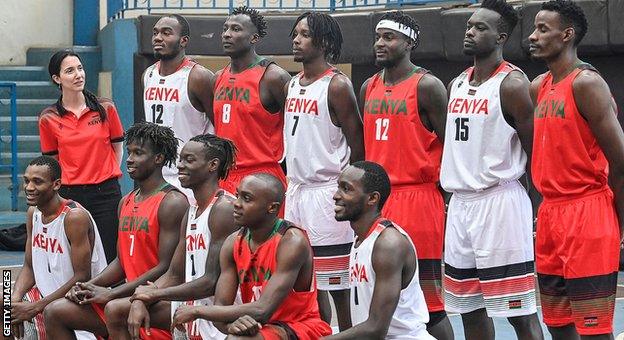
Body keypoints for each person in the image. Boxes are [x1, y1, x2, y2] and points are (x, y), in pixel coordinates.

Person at [439, 1, 543, 339]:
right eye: (469, 25)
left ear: (501, 36)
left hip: (499, 202)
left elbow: (535, 151)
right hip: (460, 204)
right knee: (468, 309)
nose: (470, 31)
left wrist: (530, 206)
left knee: (518, 312)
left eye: (480, 27)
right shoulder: (456, 83)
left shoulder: (512, 84)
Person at [528, 0, 624, 338]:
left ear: (567, 34)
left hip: (588, 212)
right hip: (551, 213)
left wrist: (621, 224)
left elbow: (621, 161)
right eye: (534, 28)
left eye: (543, 29)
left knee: (594, 331)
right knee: (557, 325)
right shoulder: (537, 86)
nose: (533, 36)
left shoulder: (587, 83)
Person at [43, 122, 187, 340]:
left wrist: (112, 293)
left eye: (138, 153)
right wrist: (88, 286)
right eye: (129, 152)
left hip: (155, 298)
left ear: (158, 159)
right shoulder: (125, 201)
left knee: (114, 309)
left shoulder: (172, 202)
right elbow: (121, 261)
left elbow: (166, 268)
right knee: (55, 311)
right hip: (125, 295)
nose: (129, 159)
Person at [359, 11, 453, 339]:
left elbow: (452, 148)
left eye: (389, 37)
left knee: (428, 302)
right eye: (378, 37)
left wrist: (445, 200)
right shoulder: (368, 86)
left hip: (418, 196)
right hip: (379, 200)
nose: (380, 43)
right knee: (382, 300)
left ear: (409, 42)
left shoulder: (427, 86)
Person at [103, 134, 239, 340]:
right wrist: (141, 297)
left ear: (213, 165)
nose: (180, 166)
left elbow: (211, 281)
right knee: (117, 309)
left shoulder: (223, 209)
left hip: (219, 312)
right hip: (191, 304)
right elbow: (174, 273)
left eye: (189, 160)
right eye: (181, 159)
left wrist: (153, 294)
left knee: (119, 308)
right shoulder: (192, 210)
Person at [171, 173, 332, 339]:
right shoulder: (232, 243)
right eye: (238, 195)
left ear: (272, 208)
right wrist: (231, 325)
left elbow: (262, 309)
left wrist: (197, 311)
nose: (236, 203)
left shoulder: (291, 241)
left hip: (300, 326)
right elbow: (221, 308)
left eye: (247, 199)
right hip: (260, 325)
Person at [285, 11, 365, 330]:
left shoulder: (337, 85)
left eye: (304, 34)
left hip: (327, 193)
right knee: (308, 285)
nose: (296, 39)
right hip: (297, 191)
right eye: (295, 33)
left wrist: (348, 193)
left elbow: (358, 147)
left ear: (324, 41)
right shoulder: (292, 83)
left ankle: (346, 333)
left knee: (338, 287)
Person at [326, 161, 434, 339]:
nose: (336, 196)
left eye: (346, 189)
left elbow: (376, 328)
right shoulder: (360, 239)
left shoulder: (388, 244)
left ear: (372, 198)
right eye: (339, 187)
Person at [39, 49, 124, 263]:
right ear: (57, 79)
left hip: (106, 193)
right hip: (70, 196)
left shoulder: (106, 108)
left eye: (80, 68)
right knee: (75, 259)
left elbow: (118, 148)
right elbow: (52, 163)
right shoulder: (48, 118)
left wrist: (106, 173)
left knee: (110, 255)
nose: (78, 74)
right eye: (69, 71)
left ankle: (110, 297)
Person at [9, 156, 107, 340]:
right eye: (27, 180)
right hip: (43, 297)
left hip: (77, 303)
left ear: (56, 184)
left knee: (50, 313)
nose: (29, 187)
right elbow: (29, 266)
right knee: (5, 307)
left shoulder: (74, 217)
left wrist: (35, 307)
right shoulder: (33, 213)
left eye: (37, 182)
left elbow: (82, 277)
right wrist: (15, 298)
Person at [212, 6, 291, 194]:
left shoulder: (273, 77)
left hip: (262, 177)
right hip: (224, 176)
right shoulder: (217, 78)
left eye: (236, 29)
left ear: (254, 38)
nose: (227, 34)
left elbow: (296, 129)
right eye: (225, 29)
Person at [143, 14, 215, 203]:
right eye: (156, 33)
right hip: (156, 175)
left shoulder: (198, 77)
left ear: (183, 41)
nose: (158, 38)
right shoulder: (148, 74)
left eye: (167, 33)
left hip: (189, 177)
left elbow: (219, 126)